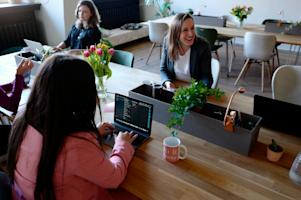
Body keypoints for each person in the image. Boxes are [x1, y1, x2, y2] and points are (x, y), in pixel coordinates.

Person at [7, 54, 137, 199]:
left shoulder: (22, 117)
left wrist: (92, 132)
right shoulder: (75, 145)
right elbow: (114, 178)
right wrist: (122, 145)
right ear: (81, 96)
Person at [160, 13, 213, 89]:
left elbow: (206, 77)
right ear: (176, 33)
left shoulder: (203, 46)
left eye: (192, 28)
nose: (191, 34)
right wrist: (167, 82)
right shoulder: (168, 41)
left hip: (194, 91)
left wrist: (198, 90)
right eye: (185, 30)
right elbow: (163, 69)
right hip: (175, 87)